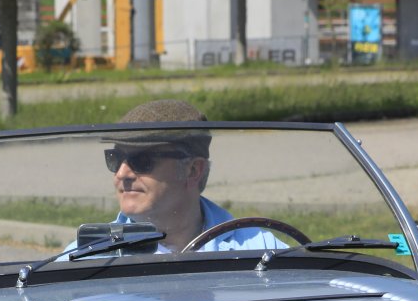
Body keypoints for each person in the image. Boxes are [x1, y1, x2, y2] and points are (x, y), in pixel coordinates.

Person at [95, 99, 280, 254]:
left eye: (142, 161)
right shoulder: (92, 256)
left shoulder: (260, 249)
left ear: (192, 170)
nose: (121, 174)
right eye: (115, 158)